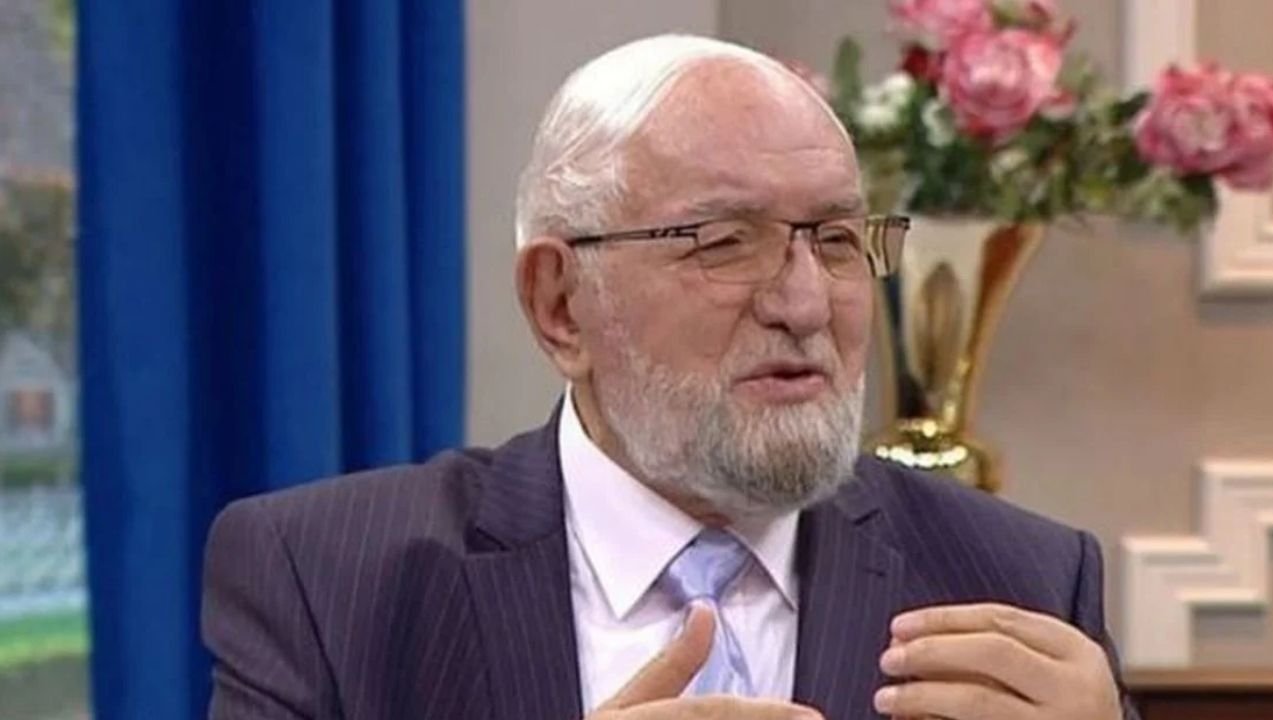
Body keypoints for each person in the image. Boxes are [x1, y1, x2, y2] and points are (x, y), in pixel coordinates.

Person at [202, 34, 1137, 720]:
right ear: (561, 305)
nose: (805, 304)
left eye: (836, 240)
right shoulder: (328, 583)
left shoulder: (1022, 582)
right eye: (725, 243)